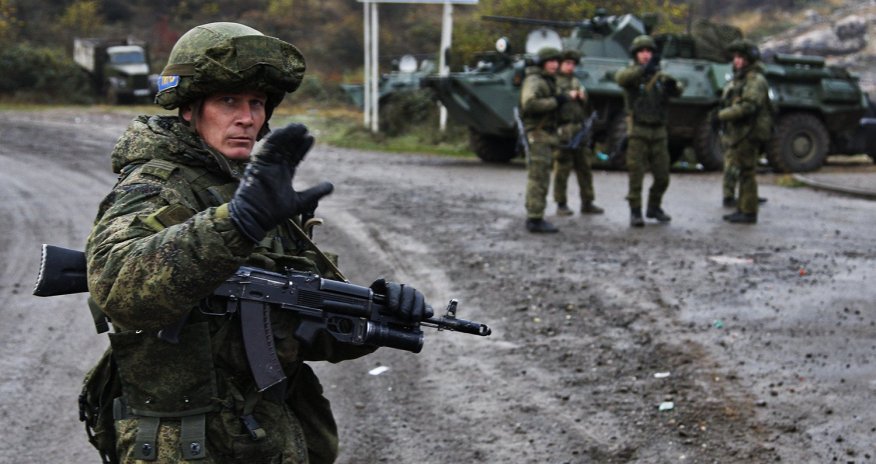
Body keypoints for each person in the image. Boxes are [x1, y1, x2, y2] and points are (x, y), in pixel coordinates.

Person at [83, 22, 432, 463]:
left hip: (263, 435)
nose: (247, 118)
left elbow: (301, 329)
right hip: (184, 444)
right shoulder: (157, 185)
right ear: (189, 108)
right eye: (229, 101)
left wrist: (374, 313)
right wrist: (237, 224)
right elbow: (118, 286)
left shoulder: (252, 191)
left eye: (257, 103)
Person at [614, 35, 682, 227]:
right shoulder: (630, 73)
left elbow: (678, 89)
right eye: (642, 52)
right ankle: (635, 211)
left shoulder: (659, 76)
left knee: (662, 176)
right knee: (636, 175)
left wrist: (672, 87)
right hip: (638, 130)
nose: (645, 55)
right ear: (635, 54)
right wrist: (644, 69)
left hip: (658, 131)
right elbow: (621, 79)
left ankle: (654, 207)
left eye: (649, 52)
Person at [717, 39, 772, 224]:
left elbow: (749, 106)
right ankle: (743, 208)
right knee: (742, 171)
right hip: (740, 132)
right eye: (735, 57)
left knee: (747, 172)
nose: (737, 61)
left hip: (749, 132)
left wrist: (722, 115)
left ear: (749, 59)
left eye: (740, 57)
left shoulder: (755, 80)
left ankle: (748, 211)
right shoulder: (741, 79)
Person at [553, 50, 604, 217]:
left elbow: (586, 102)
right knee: (562, 168)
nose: (570, 67)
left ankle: (587, 201)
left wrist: (583, 96)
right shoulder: (554, 82)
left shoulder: (575, 81)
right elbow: (552, 100)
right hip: (564, 129)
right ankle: (561, 203)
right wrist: (567, 95)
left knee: (585, 167)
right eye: (567, 63)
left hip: (579, 128)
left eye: (573, 64)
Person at [520, 47, 565, 233]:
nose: (554, 65)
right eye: (550, 61)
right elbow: (529, 103)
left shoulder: (548, 80)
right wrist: (555, 102)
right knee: (538, 177)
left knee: (542, 176)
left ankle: (536, 215)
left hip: (546, 134)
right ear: (542, 63)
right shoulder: (535, 80)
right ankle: (534, 218)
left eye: (556, 61)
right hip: (538, 134)